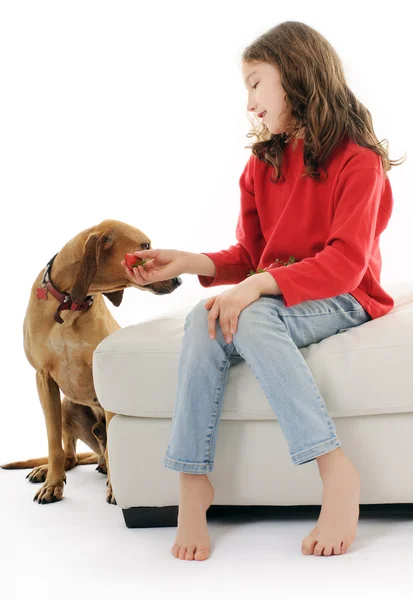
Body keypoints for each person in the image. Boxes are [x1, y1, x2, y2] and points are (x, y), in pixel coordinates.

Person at [121, 21, 405, 561]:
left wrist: (255, 287)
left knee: (247, 316)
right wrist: (192, 262)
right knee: (204, 317)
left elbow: (345, 263)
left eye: (255, 83)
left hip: (346, 296)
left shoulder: (358, 160)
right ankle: (192, 482)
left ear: (295, 77)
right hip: (275, 295)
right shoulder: (261, 163)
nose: (249, 101)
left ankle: (334, 470)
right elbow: (252, 257)